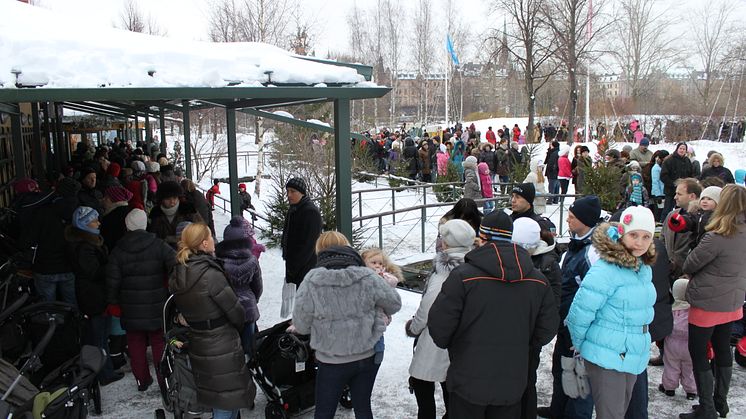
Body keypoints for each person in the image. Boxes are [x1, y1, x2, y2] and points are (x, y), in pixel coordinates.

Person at [428, 211, 558, 418]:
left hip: (467, 378)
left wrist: (459, 346)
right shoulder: (538, 280)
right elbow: (547, 328)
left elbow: (439, 326)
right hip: (512, 382)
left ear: (483, 238)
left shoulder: (463, 277)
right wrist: (522, 344)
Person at [292, 236, 402, 419]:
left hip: (331, 362)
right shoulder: (366, 276)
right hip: (366, 357)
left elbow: (302, 325)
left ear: (320, 251)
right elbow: (394, 304)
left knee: (324, 413)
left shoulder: (312, 280)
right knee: (363, 409)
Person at [567, 206, 657, 419]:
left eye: (646, 237)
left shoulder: (642, 268)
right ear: (621, 234)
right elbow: (580, 312)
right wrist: (580, 344)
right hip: (605, 354)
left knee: (621, 411)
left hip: (631, 353)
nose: (639, 243)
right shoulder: (606, 270)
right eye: (634, 235)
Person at [169, 223, 253, 419]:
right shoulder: (210, 274)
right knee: (227, 399)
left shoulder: (180, 272)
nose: (215, 241)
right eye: (211, 237)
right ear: (204, 243)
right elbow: (236, 312)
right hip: (221, 342)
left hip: (198, 340)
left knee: (218, 396)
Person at [679, 184, 746, 419]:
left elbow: (689, 264)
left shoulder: (717, 237)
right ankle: (720, 402)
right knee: (721, 348)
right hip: (733, 302)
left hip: (708, 303)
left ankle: (707, 408)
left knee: (698, 352)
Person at [539, 195, 602, 419]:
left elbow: (593, 293)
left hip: (581, 328)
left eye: (573, 217)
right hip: (566, 322)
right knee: (561, 369)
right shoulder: (576, 244)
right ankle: (558, 409)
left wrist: (582, 326)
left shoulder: (593, 252)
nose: (568, 220)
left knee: (580, 378)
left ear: (585, 220)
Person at [406, 220, 475, 419]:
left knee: (423, 384)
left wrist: (414, 327)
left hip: (437, 340)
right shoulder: (473, 265)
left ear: (446, 243)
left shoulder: (444, 272)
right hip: (462, 339)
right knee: (452, 391)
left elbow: (428, 306)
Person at [107, 208, 176, 392]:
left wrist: (113, 301)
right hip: (157, 305)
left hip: (130, 307)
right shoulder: (158, 245)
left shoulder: (118, 250)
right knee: (159, 342)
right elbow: (176, 264)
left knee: (135, 343)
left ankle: (142, 380)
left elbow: (112, 281)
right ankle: (164, 381)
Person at [65, 206, 123, 386]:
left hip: (94, 294)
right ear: (84, 223)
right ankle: (104, 374)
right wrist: (113, 264)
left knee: (97, 334)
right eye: (94, 220)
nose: (98, 222)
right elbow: (93, 271)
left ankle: (97, 369)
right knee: (99, 336)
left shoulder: (88, 241)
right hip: (93, 296)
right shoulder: (84, 246)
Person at [512, 217, 561, 419]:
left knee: (526, 382)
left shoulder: (547, 265)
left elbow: (551, 310)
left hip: (528, 339)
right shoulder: (521, 259)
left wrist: (534, 340)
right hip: (514, 337)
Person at [215, 216, 263, 361]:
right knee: (249, 347)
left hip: (227, 308)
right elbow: (258, 286)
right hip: (248, 309)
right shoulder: (252, 260)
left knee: (230, 348)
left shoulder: (218, 261)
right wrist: (253, 299)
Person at [281, 177, 323, 287]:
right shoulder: (294, 208)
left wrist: (293, 267)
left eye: (293, 191)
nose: (289, 195)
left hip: (305, 269)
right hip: (294, 267)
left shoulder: (310, 212)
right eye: (288, 191)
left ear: (302, 193)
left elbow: (309, 245)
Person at [659, 278, 696, 400]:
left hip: (672, 343)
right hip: (690, 345)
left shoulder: (671, 309)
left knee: (671, 365)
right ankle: (691, 390)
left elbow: (664, 324)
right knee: (689, 368)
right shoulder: (693, 310)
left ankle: (669, 387)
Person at [660, 178, 701, 280]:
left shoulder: (700, 220)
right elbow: (662, 239)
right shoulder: (672, 215)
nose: (675, 197)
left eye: (679, 194)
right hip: (668, 272)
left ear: (692, 196)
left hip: (689, 275)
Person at [149, 181, 204, 248]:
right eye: (168, 199)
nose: (172, 202)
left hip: (187, 253)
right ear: (162, 199)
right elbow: (151, 237)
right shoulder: (156, 214)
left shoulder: (188, 210)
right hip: (163, 254)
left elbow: (202, 229)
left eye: (175, 198)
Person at [661, 143, 694, 217]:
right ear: (677, 149)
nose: (682, 150)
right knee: (667, 209)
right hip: (670, 190)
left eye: (684, 149)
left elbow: (691, 174)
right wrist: (673, 183)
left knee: (681, 210)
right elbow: (663, 176)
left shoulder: (687, 161)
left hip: (683, 191)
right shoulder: (669, 160)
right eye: (680, 148)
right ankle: (664, 223)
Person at [100, 185, 133, 251]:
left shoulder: (113, 216)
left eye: (106, 198)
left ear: (113, 200)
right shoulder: (127, 211)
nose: (103, 200)